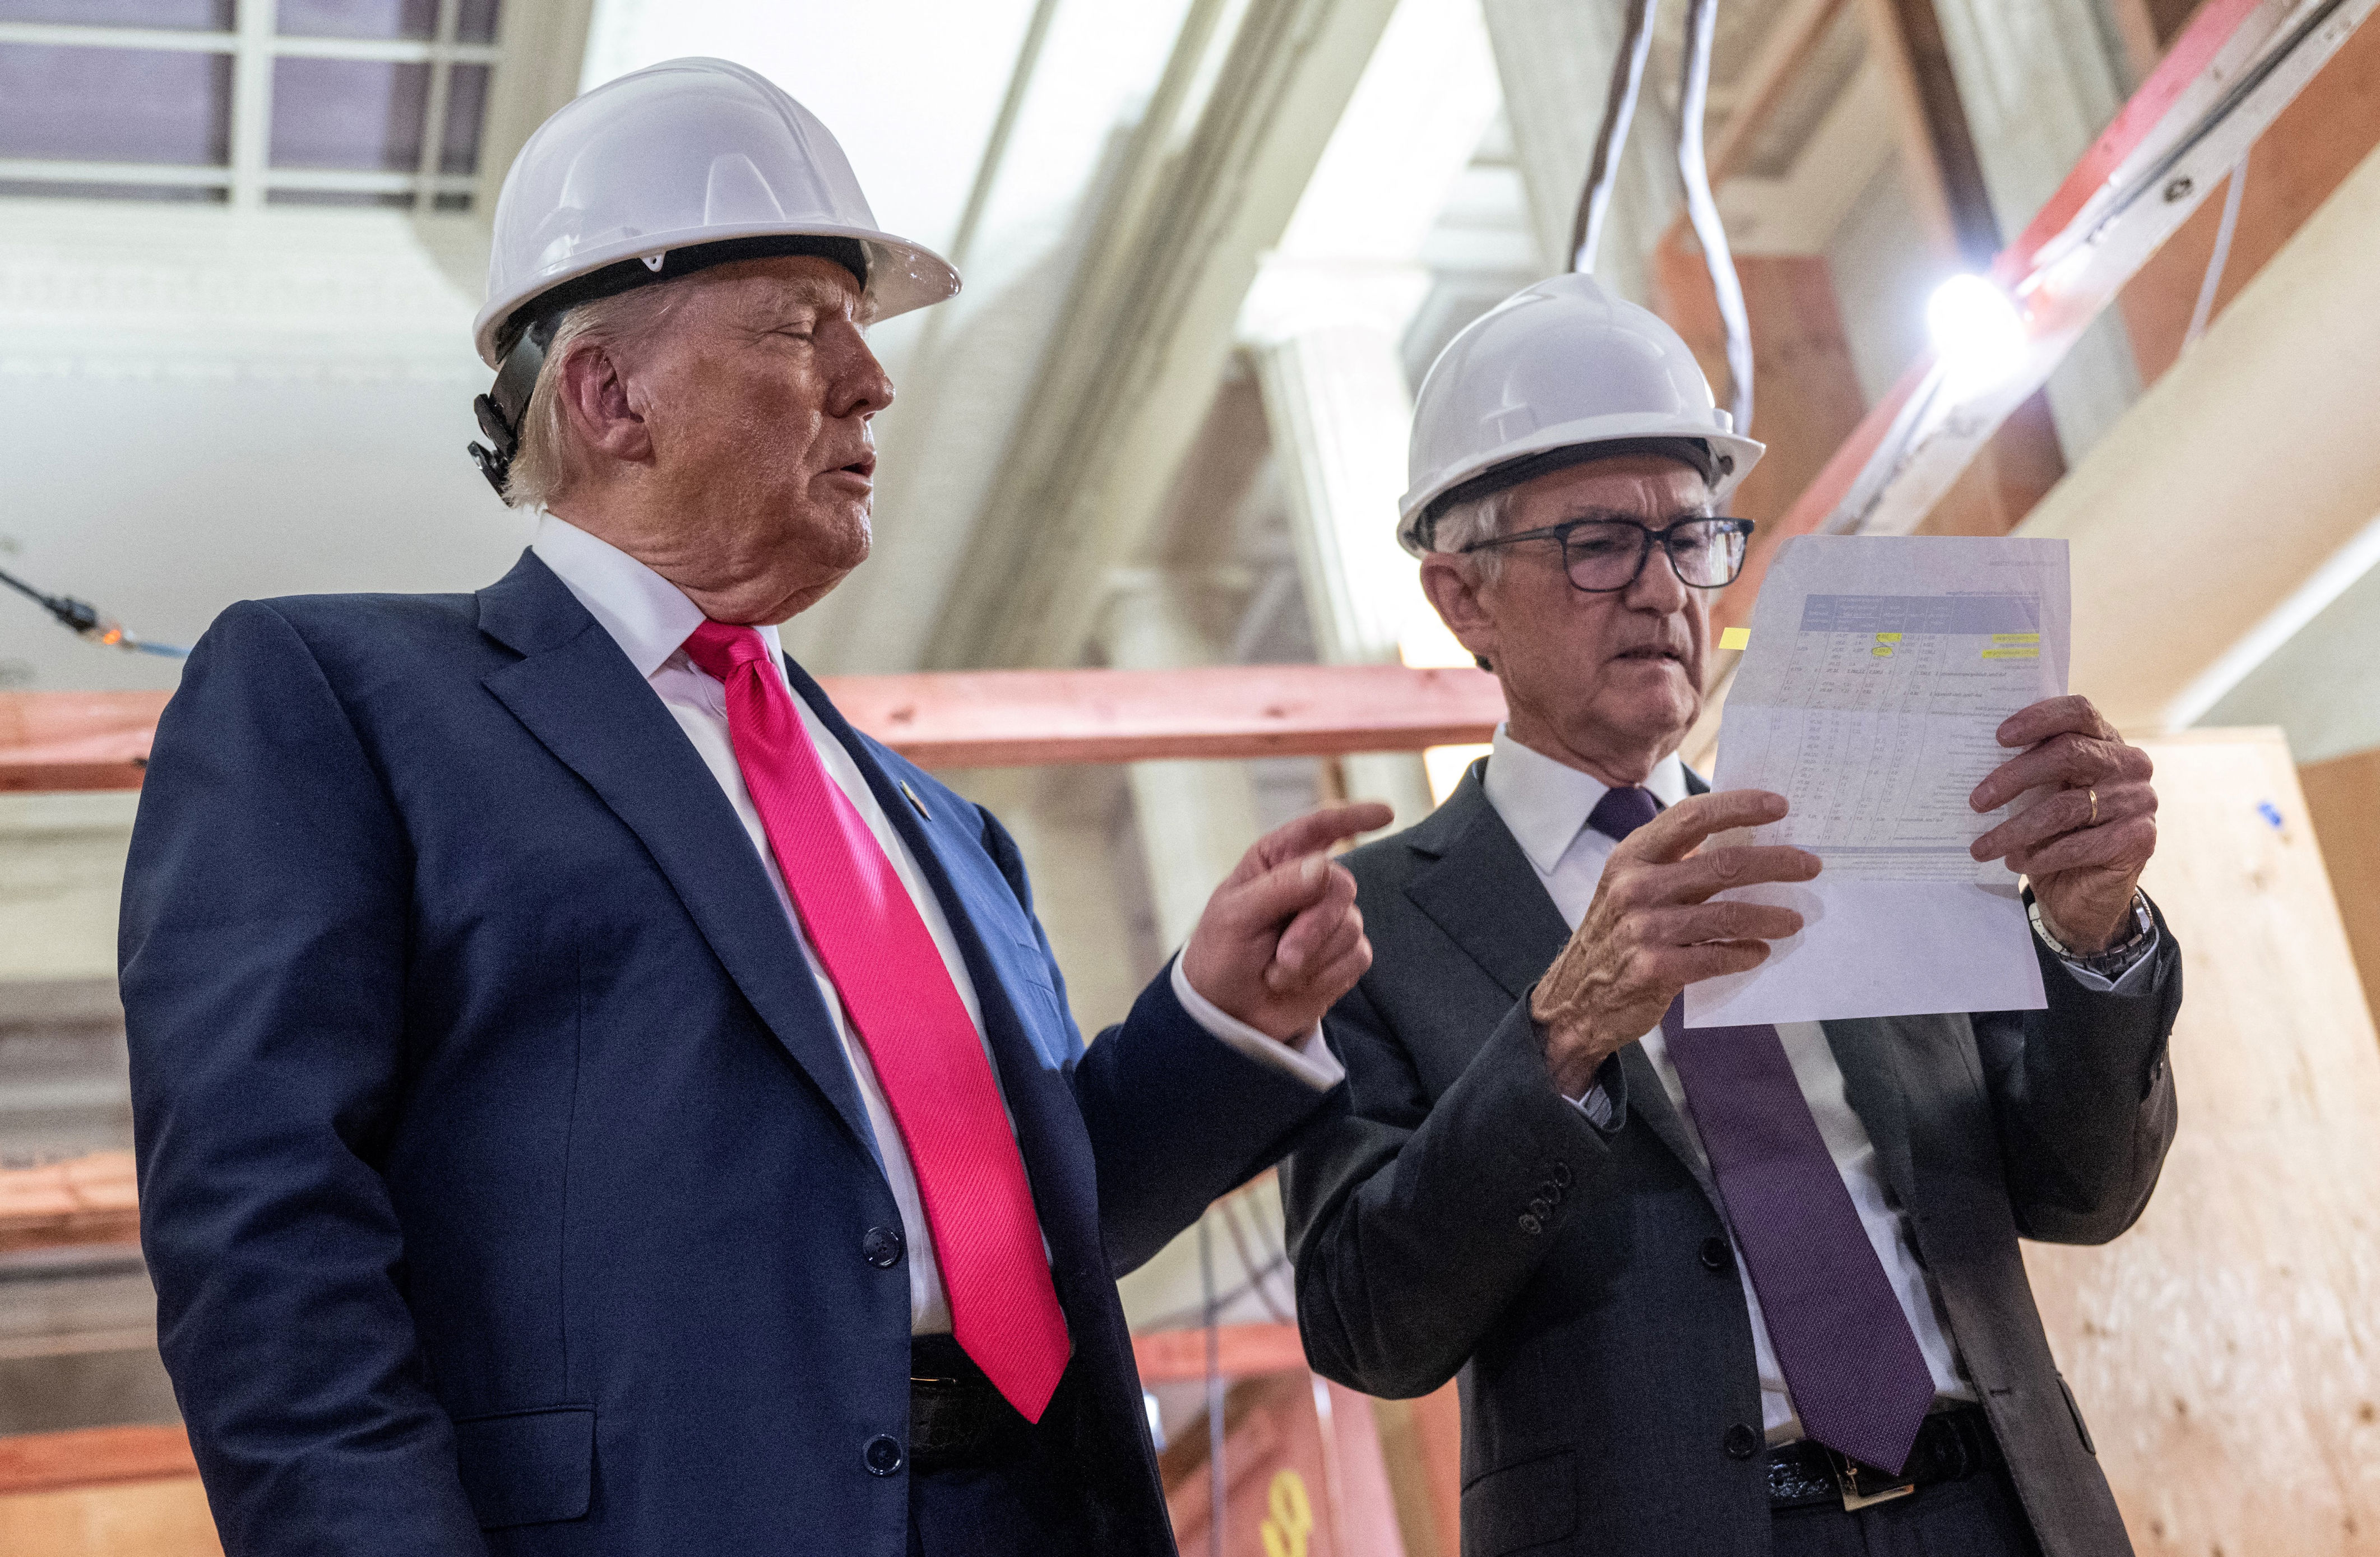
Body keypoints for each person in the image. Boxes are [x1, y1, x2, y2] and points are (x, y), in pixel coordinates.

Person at [122, 58, 1382, 1557]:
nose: (872, 378)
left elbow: (999, 1237)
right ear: (609, 396)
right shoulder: (338, 697)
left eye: (861, 328)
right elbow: (264, 1238)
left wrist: (1220, 1024)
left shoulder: (942, 830)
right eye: (800, 326)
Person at [1280, 274, 2179, 1557]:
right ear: (1460, 598)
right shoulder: (1369, 922)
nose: (1663, 591)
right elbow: (1366, 1325)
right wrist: (1558, 1037)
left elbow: (2080, 1193)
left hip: (1994, 1508)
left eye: (1690, 537)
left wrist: (2091, 938)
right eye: (1598, 543)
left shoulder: (1857, 824)